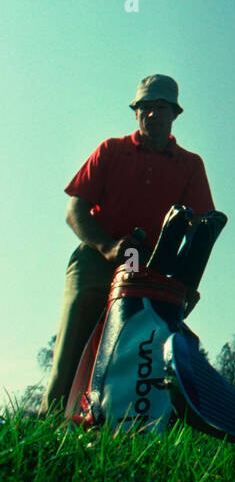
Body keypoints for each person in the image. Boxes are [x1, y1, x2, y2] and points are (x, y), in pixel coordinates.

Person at [39, 74, 215, 415]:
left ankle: (120, 423)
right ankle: (52, 421)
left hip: (147, 266)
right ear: (136, 113)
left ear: (174, 114)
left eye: (160, 108)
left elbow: (200, 229)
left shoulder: (190, 166)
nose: (152, 115)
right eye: (145, 108)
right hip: (96, 251)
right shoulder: (111, 151)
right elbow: (75, 208)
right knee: (75, 335)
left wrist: (185, 284)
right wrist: (106, 246)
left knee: (137, 345)